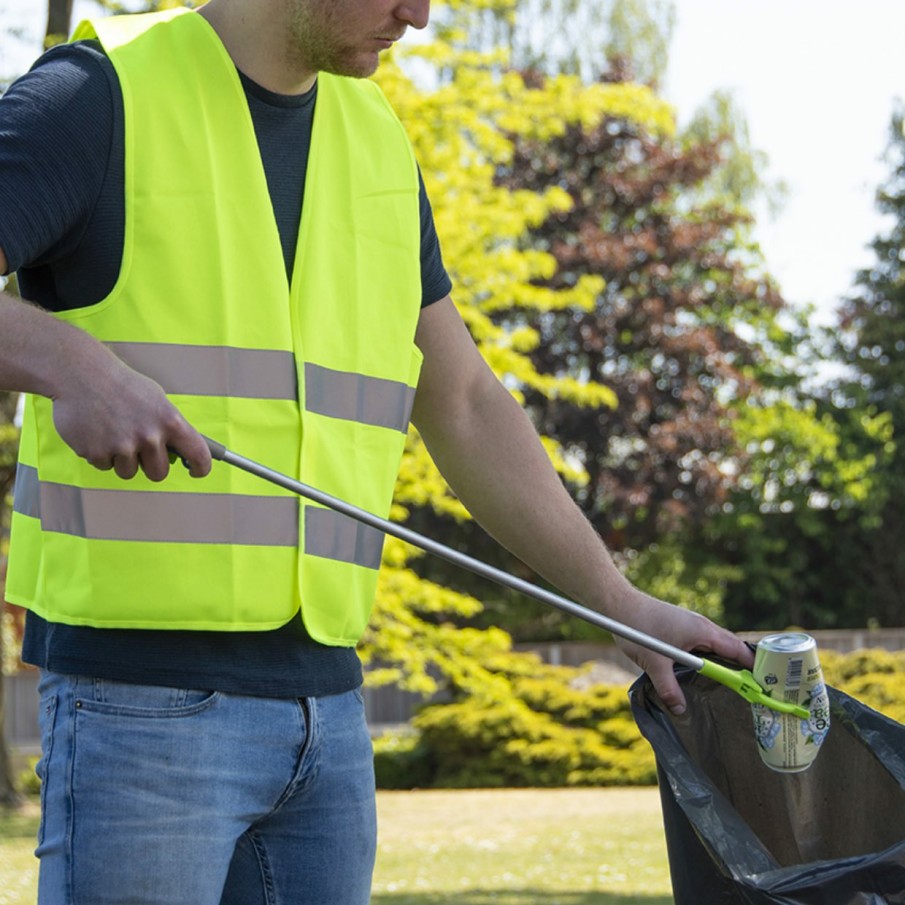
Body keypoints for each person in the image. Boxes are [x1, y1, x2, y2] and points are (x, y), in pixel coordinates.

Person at [0, 1, 754, 902]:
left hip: (331, 719)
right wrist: (71, 364)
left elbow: (465, 401)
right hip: (140, 710)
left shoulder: (375, 140)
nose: (420, 15)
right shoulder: (96, 95)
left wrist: (615, 601)